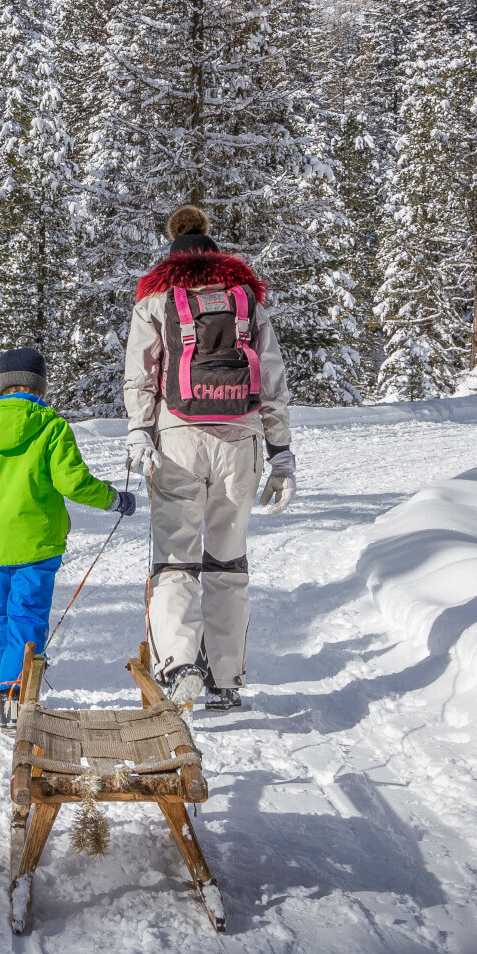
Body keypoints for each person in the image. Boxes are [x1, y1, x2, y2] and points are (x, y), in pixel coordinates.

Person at [123, 206, 294, 713]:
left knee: (175, 557)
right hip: (239, 441)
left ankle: (177, 667)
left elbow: (141, 375)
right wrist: (281, 453)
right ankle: (225, 677)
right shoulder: (244, 295)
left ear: (172, 241)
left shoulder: (156, 295)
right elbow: (273, 381)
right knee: (228, 560)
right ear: (209, 240)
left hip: (177, 438)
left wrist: (139, 431)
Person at [0, 347, 137, 728]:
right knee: (27, 614)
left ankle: (1, 680)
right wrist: (114, 498)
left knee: (0, 612)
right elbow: (73, 481)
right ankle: (14, 693)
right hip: (37, 544)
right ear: (40, 386)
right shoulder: (51, 426)